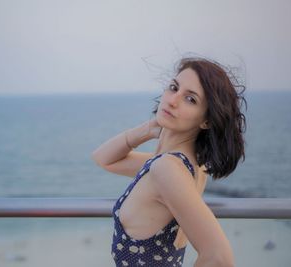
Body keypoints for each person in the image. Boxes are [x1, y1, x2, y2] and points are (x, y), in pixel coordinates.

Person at [91, 56, 247, 267]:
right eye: (174, 88)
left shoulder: (167, 169)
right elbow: (104, 159)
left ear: (206, 120)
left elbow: (219, 257)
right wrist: (149, 129)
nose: (173, 100)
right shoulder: (180, 166)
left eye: (190, 99)